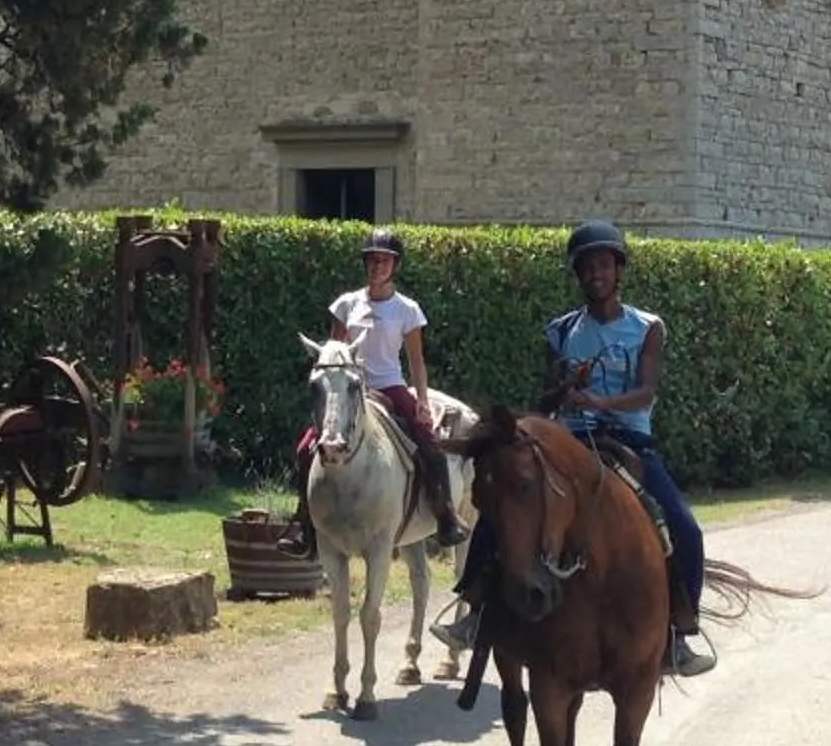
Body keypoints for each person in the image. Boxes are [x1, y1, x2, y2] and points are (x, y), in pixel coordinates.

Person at [437, 220, 713, 676]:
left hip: (629, 440)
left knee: (686, 529)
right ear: (578, 274)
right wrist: (564, 388)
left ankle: (680, 632)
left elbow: (645, 392)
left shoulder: (648, 328)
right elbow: (545, 400)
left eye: (603, 265)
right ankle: (475, 610)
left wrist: (600, 400)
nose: (595, 274)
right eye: (587, 267)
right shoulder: (561, 331)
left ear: (618, 271)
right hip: (569, 441)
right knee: (506, 511)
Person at [278, 228, 466, 556]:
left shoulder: (407, 310)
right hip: (350, 390)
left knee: (430, 445)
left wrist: (421, 401)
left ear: (395, 266)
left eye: (384, 260)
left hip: (391, 386)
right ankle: (304, 526)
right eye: (372, 260)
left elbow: (416, 361)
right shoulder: (346, 304)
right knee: (305, 448)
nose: (377, 266)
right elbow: (333, 354)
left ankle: (445, 516)